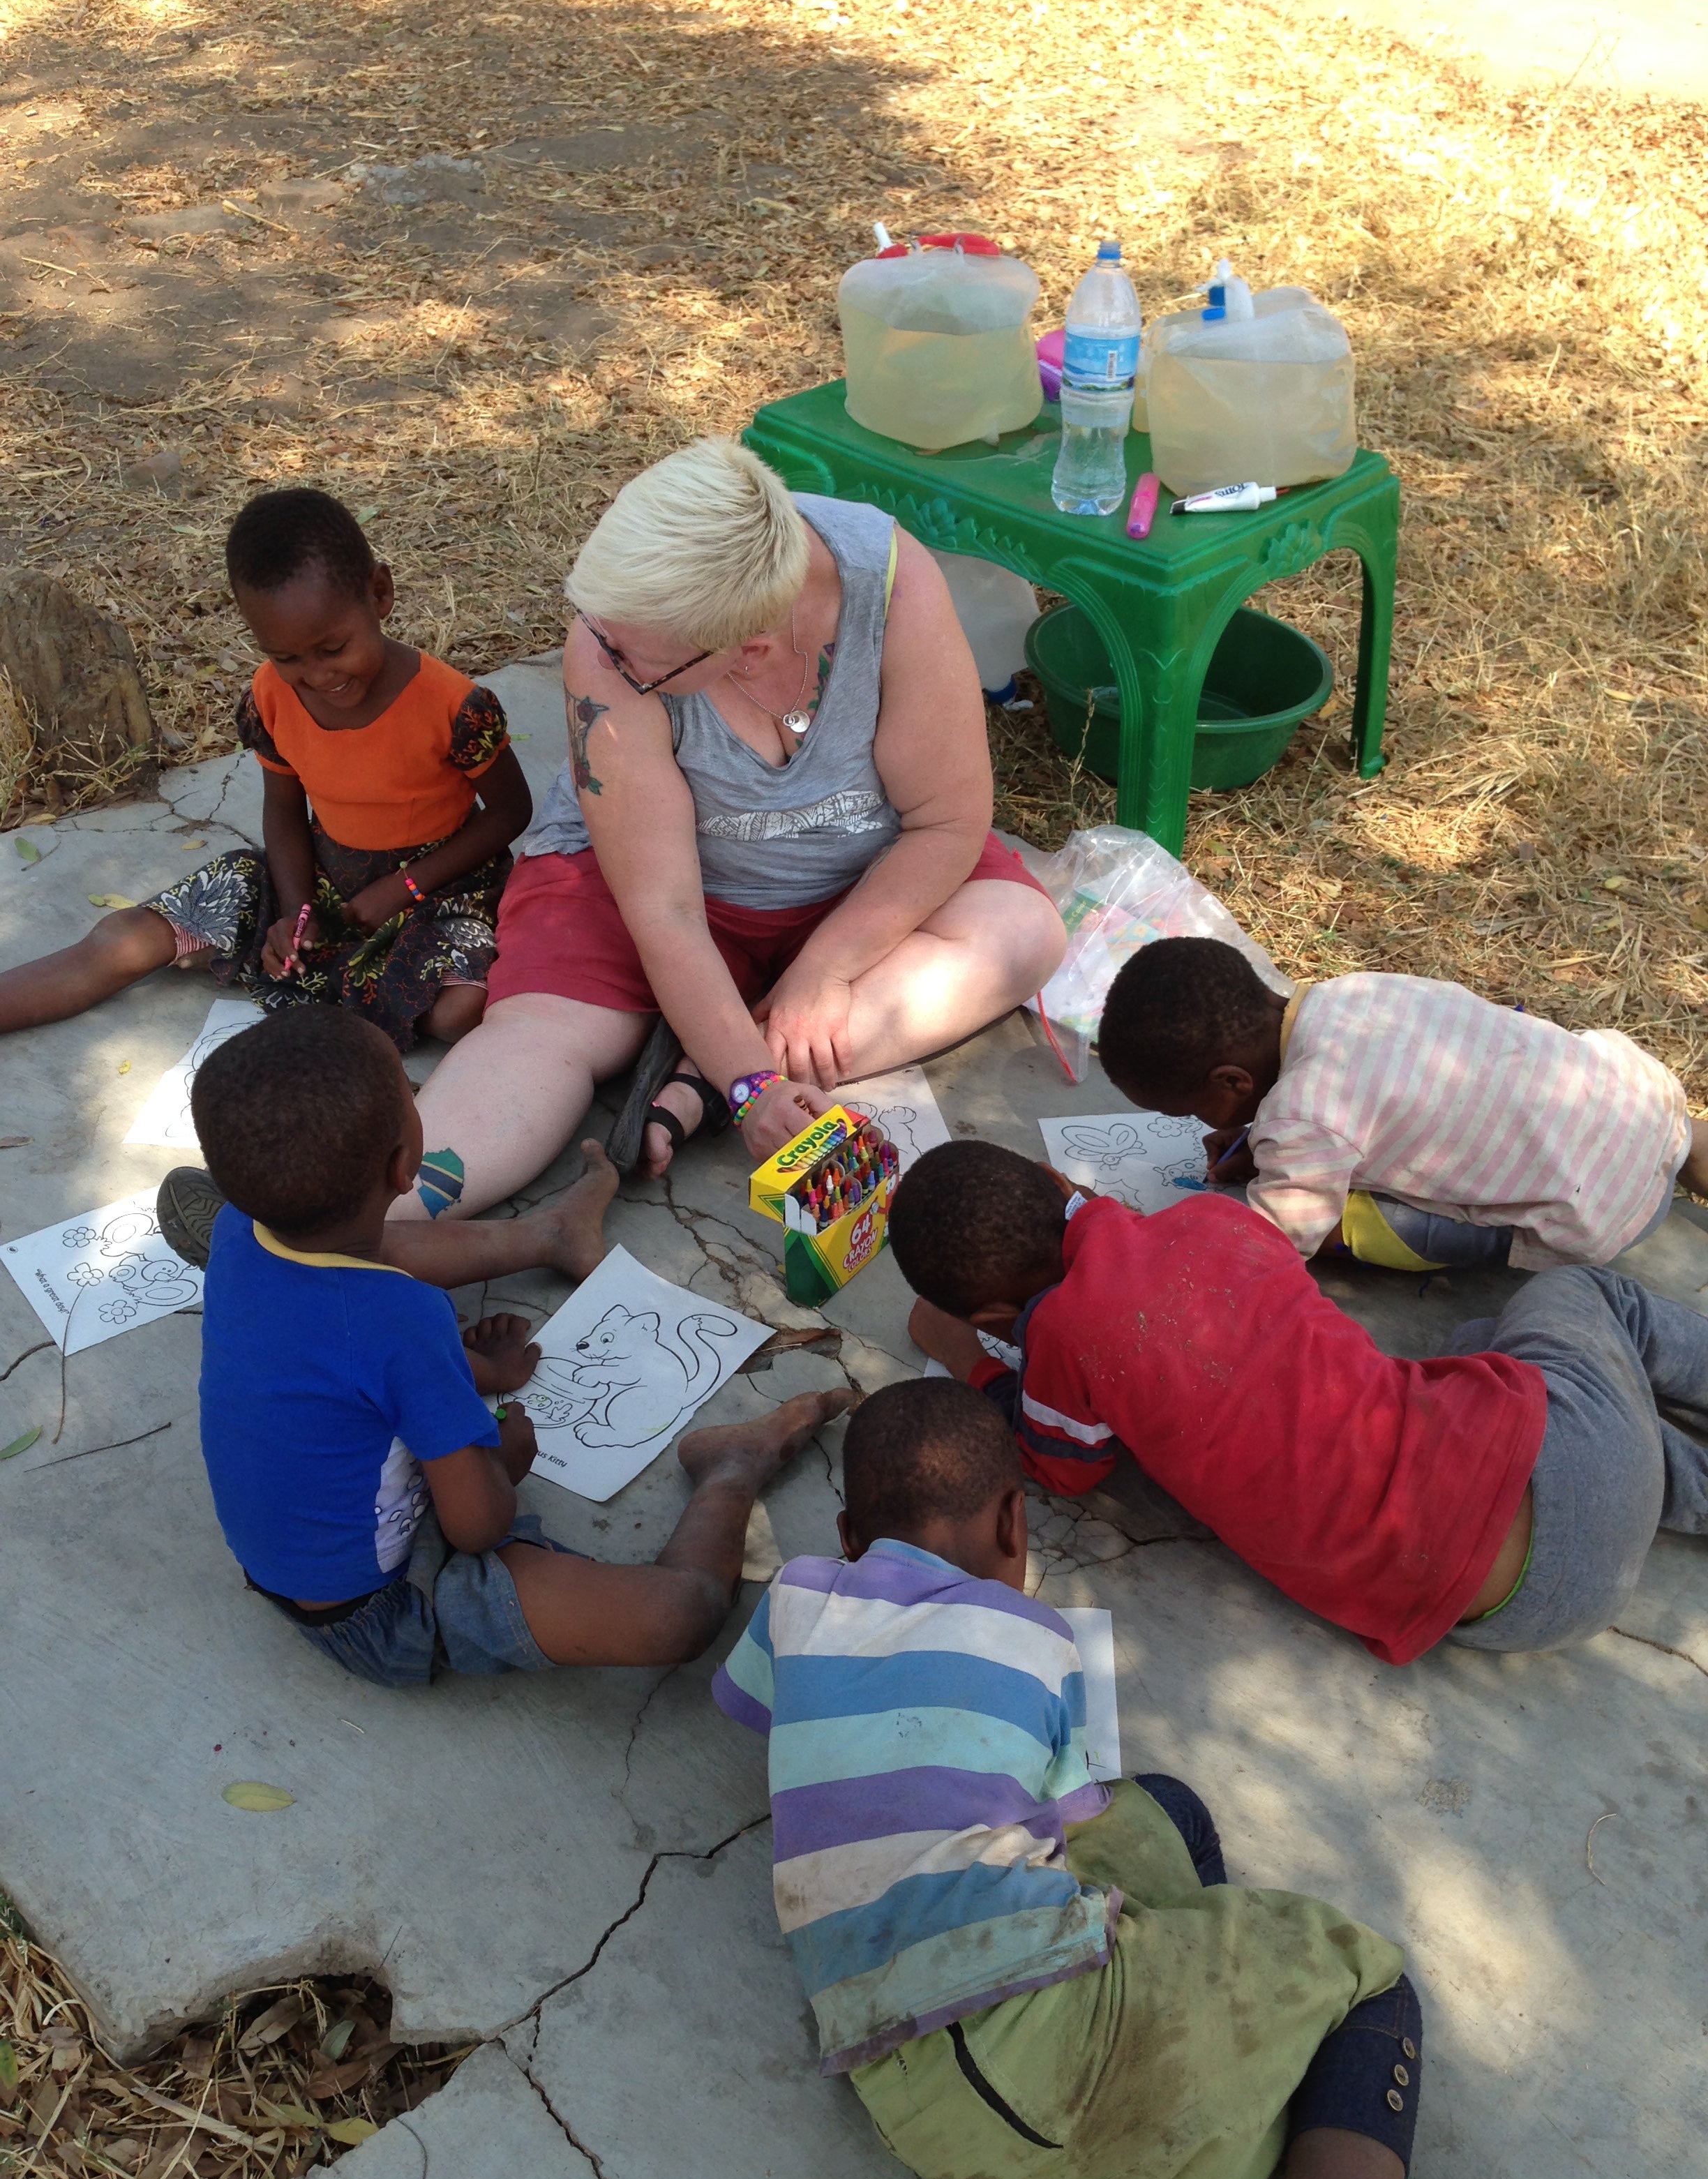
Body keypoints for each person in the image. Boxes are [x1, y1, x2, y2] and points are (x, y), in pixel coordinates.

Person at [713, 1381, 1516, 2179]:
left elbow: (754, 1704)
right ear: (1016, 1523)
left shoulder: (795, 1598)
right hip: (1062, 2036)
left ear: (848, 1540)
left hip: (911, 2106)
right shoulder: (1037, 1638)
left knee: (1167, 1808)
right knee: (1370, 1982)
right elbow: (1075, 1815)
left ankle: (1227, 2133)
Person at [387, 435, 1065, 1222]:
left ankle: (702, 1076)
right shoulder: (612, 638)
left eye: (639, 666)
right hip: (648, 893)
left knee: (1023, 935)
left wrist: (826, 971)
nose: (604, 659)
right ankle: (364, 1218)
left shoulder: (891, 583)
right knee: (540, 1035)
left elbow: (946, 821)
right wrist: (759, 1081)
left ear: (750, 648)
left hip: (857, 879)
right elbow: (663, 908)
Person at [190, 1006, 851, 1686]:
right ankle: (730, 1468)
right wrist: (503, 1457)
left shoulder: (241, 1230)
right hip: (377, 1607)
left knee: (368, 1253)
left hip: (292, 1555)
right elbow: (476, 1525)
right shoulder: (401, 1321)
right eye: (412, 1094)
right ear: (404, 1163)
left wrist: (475, 1370)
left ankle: (549, 1235)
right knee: (680, 1613)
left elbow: (345, 1353)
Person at [890, 1139, 1708, 1663]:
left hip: (1518, 1613)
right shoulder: (1217, 1220)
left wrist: (971, 1358)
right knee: (1573, 1301)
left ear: (998, 1315)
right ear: (1055, 1178)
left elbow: (1058, 1467)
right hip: (1564, 1467)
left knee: (1480, 1339)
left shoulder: (1065, 1337)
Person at [0, 488, 532, 1054]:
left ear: (379, 593)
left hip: (436, 887)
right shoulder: (270, 696)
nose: (318, 675)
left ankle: (295, 964)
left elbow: (510, 812)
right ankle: (303, 956)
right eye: (288, 657)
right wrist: (297, 909)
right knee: (128, 939)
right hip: (316, 876)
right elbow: (283, 810)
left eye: (333, 648)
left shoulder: (457, 708)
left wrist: (402, 888)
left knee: (458, 1010)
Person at [1097, 938, 1708, 1271]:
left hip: (1595, 1213)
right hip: (1646, 1106)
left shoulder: (1304, 1119)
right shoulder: (1356, 993)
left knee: (1351, 1223)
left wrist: (1158, 1244)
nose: (1202, 1126)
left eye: (1192, 1112)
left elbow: (1273, 1242)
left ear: (1232, 1083)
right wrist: (1262, 1145)